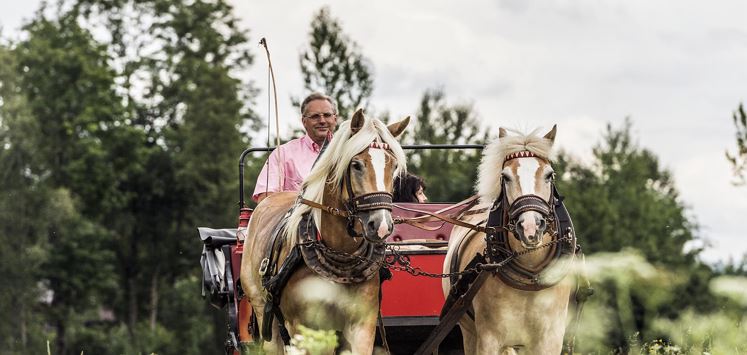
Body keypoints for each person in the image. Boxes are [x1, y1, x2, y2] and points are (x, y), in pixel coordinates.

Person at [253, 92, 338, 203]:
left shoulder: (350, 152)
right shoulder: (283, 154)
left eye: (327, 115)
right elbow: (266, 200)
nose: (322, 121)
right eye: (315, 116)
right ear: (304, 122)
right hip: (298, 219)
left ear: (335, 119)